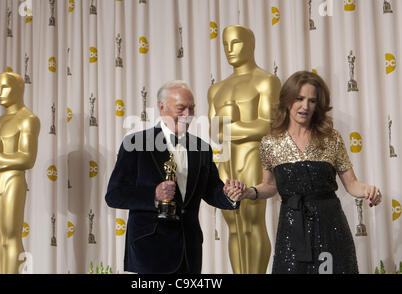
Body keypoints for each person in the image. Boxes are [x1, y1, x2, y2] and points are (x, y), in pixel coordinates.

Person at [226, 71, 382, 274]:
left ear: (318, 105)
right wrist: (250, 192)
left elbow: (352, 183)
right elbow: (270, 185)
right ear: (287, 100)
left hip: (330, 227)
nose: (305, 106)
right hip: (291, 230)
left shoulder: (331, 139)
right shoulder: (270, 143)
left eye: (312, 100)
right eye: (299, 98)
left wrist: (369, 190)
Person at [105, 80, 240, 274]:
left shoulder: (202, 148)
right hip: (150, 250)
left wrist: (230, 194)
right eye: (181, 108)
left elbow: (211, 190)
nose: (187, 115)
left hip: (189, 250)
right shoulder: (135, 142)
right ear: (161, 107)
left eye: (192, 108)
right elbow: (114, 195)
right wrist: (154, 194)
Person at [208, 25, 280, 273]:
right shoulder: (216, 89)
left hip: (253, 157)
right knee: (233, 223)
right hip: (227, 160)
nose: (229, 50)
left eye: (235, 43)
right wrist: (234, 127)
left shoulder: (266, 80)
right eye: (225, 44)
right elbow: (215, 133)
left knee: (252, 221)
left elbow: (268, 125)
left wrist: (231, 125)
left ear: (250, 44)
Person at [0, 72, 40, 274]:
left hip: (13, 181)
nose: (0, 92)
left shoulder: (27, 119)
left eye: (5, 87)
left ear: (18, 89)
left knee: (11, 236)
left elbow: (27, 158)